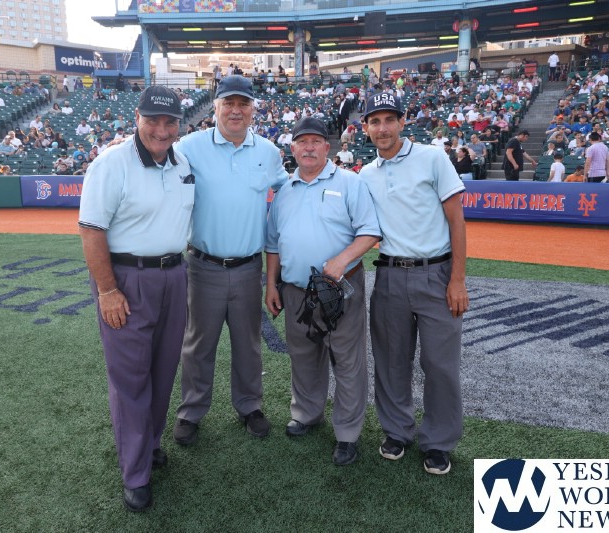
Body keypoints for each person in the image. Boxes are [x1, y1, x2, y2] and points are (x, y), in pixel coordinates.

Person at [78, 86, 191, 513]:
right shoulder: (111, 163)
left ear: (179, 124)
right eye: (152, 120)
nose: (161, 130)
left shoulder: (182, 162)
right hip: (126, 279)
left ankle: (151, 443)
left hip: (174, 275)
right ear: (137, 119)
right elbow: (92, 230)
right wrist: (108, 290)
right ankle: (135, 473)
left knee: (163, 369)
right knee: (131, 379)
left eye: (169, 122)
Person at [172, 75, 289, 446]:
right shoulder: (189, 146)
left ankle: (249, 406)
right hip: (202, 265)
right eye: (229, 103)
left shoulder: (268, 151)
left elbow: (288, 192)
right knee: (198, 345)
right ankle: (191, 410)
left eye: (243, 104)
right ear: (216, 107)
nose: (236, 111)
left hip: (248, 268)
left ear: (253, 109)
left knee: (248, 344)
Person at [359, 92, 468, 475]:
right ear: (366, 127)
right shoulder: (366, 174)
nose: (383, 128)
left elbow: (456, 220)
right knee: (390, 360)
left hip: (436, 273)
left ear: (402, 122)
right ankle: (397, 431)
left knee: (440, 364)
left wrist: (457, 279)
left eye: (389, 119)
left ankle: (438, 442)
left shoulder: (432, 157)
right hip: (389, 274)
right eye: (375, 121)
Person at [264, 117, 380, 465]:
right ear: (293, 148)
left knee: (347, 360)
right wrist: (271, 284)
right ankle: (306, 413)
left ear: (327, 148)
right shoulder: (284, 191)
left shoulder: (349, 182)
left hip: (340, 289)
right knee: (303, 356)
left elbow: (370, 231)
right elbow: (273, 244)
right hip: (296, 290)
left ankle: (347, 433)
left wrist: (342, 259)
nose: (309, 147)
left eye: (316, 141)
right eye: (303, 142)